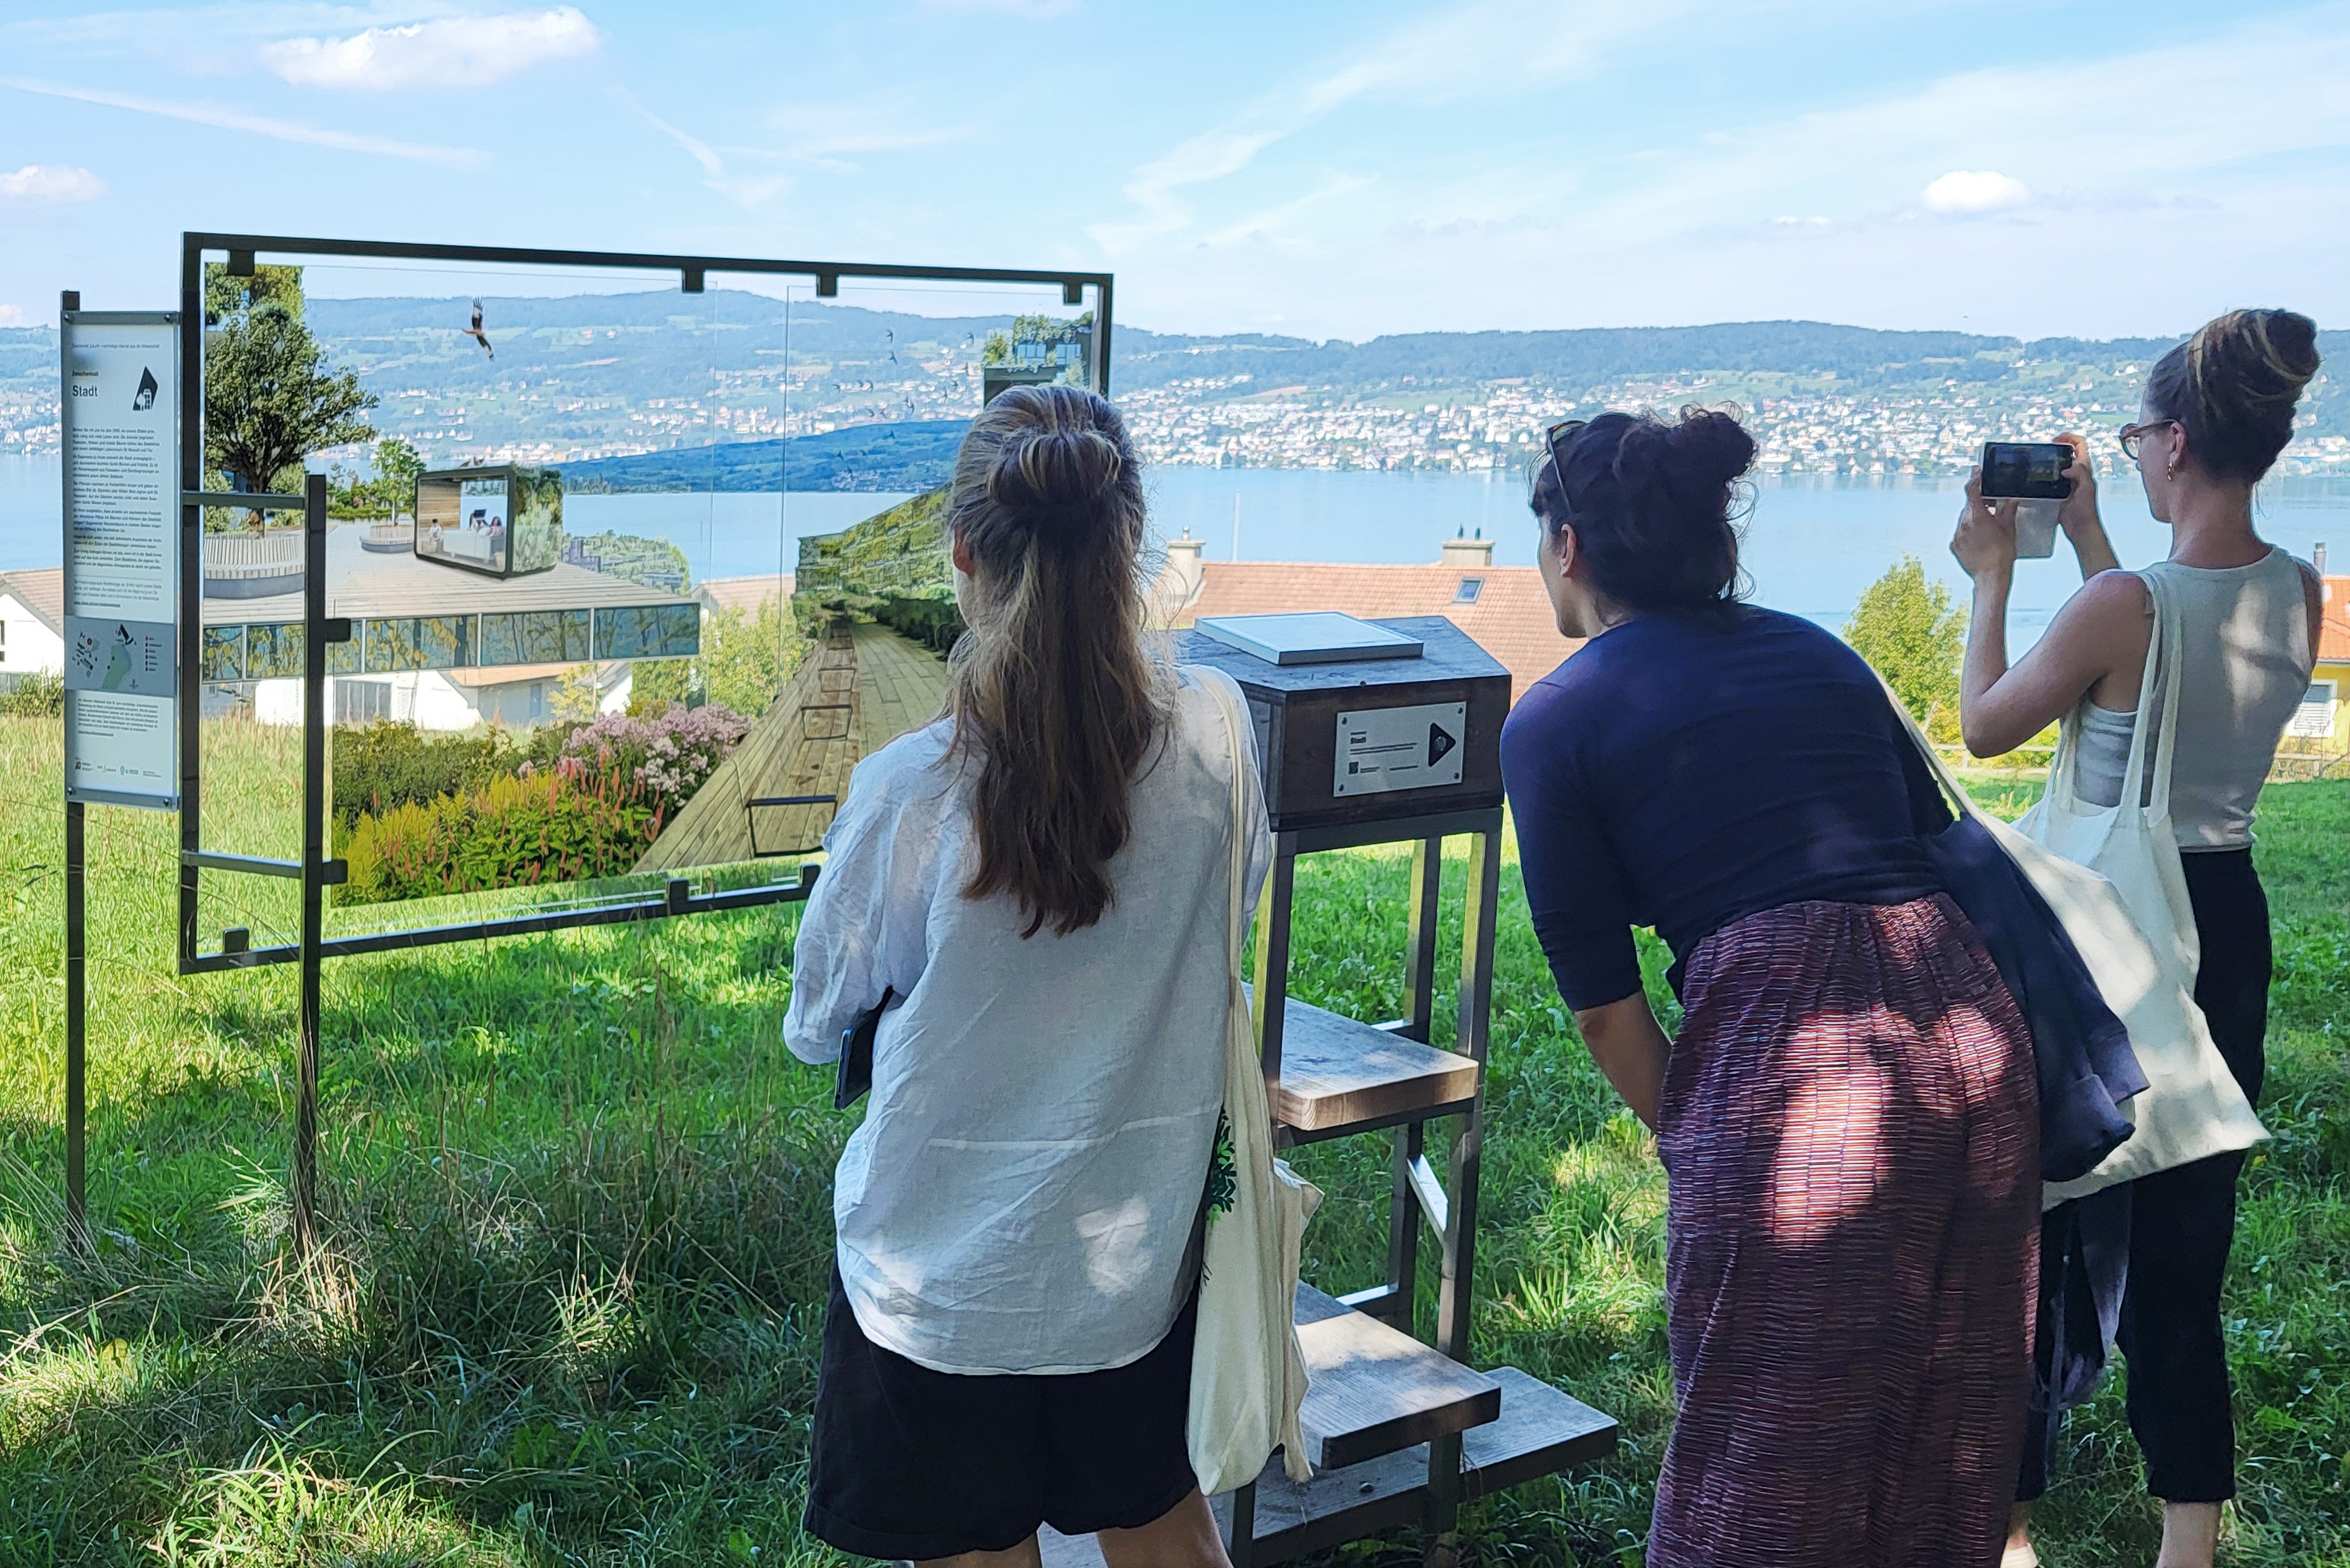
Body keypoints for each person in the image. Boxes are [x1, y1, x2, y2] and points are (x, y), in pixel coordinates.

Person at [1502, 407, 2040, 1568]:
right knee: (1950, 1431)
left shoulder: (1554, 718)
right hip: (1972, 1024)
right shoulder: (1819, 650)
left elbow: (1606, 1008)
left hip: (1808, 1056)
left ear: (1569, 548)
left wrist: (1695, 1135)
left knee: (1764, 1459)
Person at [783, 383, 1270, 1568]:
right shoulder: (1214, 735)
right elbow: (1226, 916)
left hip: (936, 1279)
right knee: (1163, 1530)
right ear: (1130, 548)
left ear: (962, 553)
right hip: (1134, 1265)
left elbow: (819, 1019)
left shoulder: (911, 789)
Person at [1952, 308, 2324, 1568]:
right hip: (2225, 916)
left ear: (2171, 438)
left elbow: (1986, 728)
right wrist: (2101, 534)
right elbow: (2162, 629)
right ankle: (2189, 1543)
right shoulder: (2296, 589)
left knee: (2043, 1219)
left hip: (2104, 926)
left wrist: (1994, 573)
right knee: (2184, 1245)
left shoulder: (2124, 605)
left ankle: (2007, 1533)